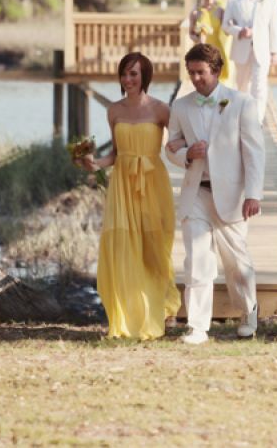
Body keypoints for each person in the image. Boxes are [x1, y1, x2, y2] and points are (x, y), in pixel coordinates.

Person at [165, 43, 266, 345]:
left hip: (233, 195)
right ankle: (197, 327)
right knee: (196, 260)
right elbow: (170, 146)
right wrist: (186, 153)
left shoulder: (242, 103)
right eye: (191, 73)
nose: (196, 79)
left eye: (201, 73)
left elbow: (254, 153)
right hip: (196, 193)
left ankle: (248, 312)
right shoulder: (180, 107)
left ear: (217, 71)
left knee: (238, 264)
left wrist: (253, 193)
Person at [78, 52, 181, 340]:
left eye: (134, 74)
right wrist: (94, 163)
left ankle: (166, 308)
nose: (128, 79)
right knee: (123, 244)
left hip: (152, 181)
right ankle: (128, 313)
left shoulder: (162, 110)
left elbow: (177, 143)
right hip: (122, 182)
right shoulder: (114, 110)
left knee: (155, 245)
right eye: (124, 74)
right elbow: (115, 154)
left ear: (144, 76)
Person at [222, 0, 277, 123]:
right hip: (241, 49)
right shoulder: (234, 0)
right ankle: (242, 118)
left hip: (262, 50)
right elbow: (226, 25)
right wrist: (239, 31)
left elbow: (275, 27)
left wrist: (275, 51)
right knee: (241, 87)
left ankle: (257, 121)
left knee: (260, 87)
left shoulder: (271, 0)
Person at [189, 0, 233, 86]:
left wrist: (231, 25)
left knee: (220, 81)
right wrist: (198, 39)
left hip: (217, 49)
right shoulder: (195, 13)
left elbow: (227, 30)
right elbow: (191, 33)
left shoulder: (220, 11)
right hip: (201, 51)